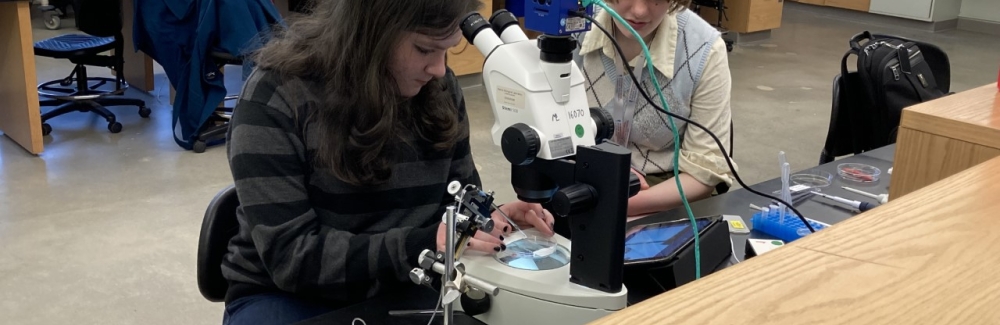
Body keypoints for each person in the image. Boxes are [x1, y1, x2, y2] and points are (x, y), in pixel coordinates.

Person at [219, 1, 556, 324]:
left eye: (447, 49)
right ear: (370, 33)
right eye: (424, 50)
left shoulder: (438, 88)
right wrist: (424, 244)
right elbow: (293, 259)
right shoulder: (275, 97)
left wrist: (485, 219)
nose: (439, 69)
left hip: (412, 282)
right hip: (290, 297)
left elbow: (456, 202)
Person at [576, 0, 736, 217]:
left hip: (661, 196)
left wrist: (617, 201)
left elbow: (704, 173)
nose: (640, 11)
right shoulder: (573, 27)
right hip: (580, 181)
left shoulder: (703, 50)